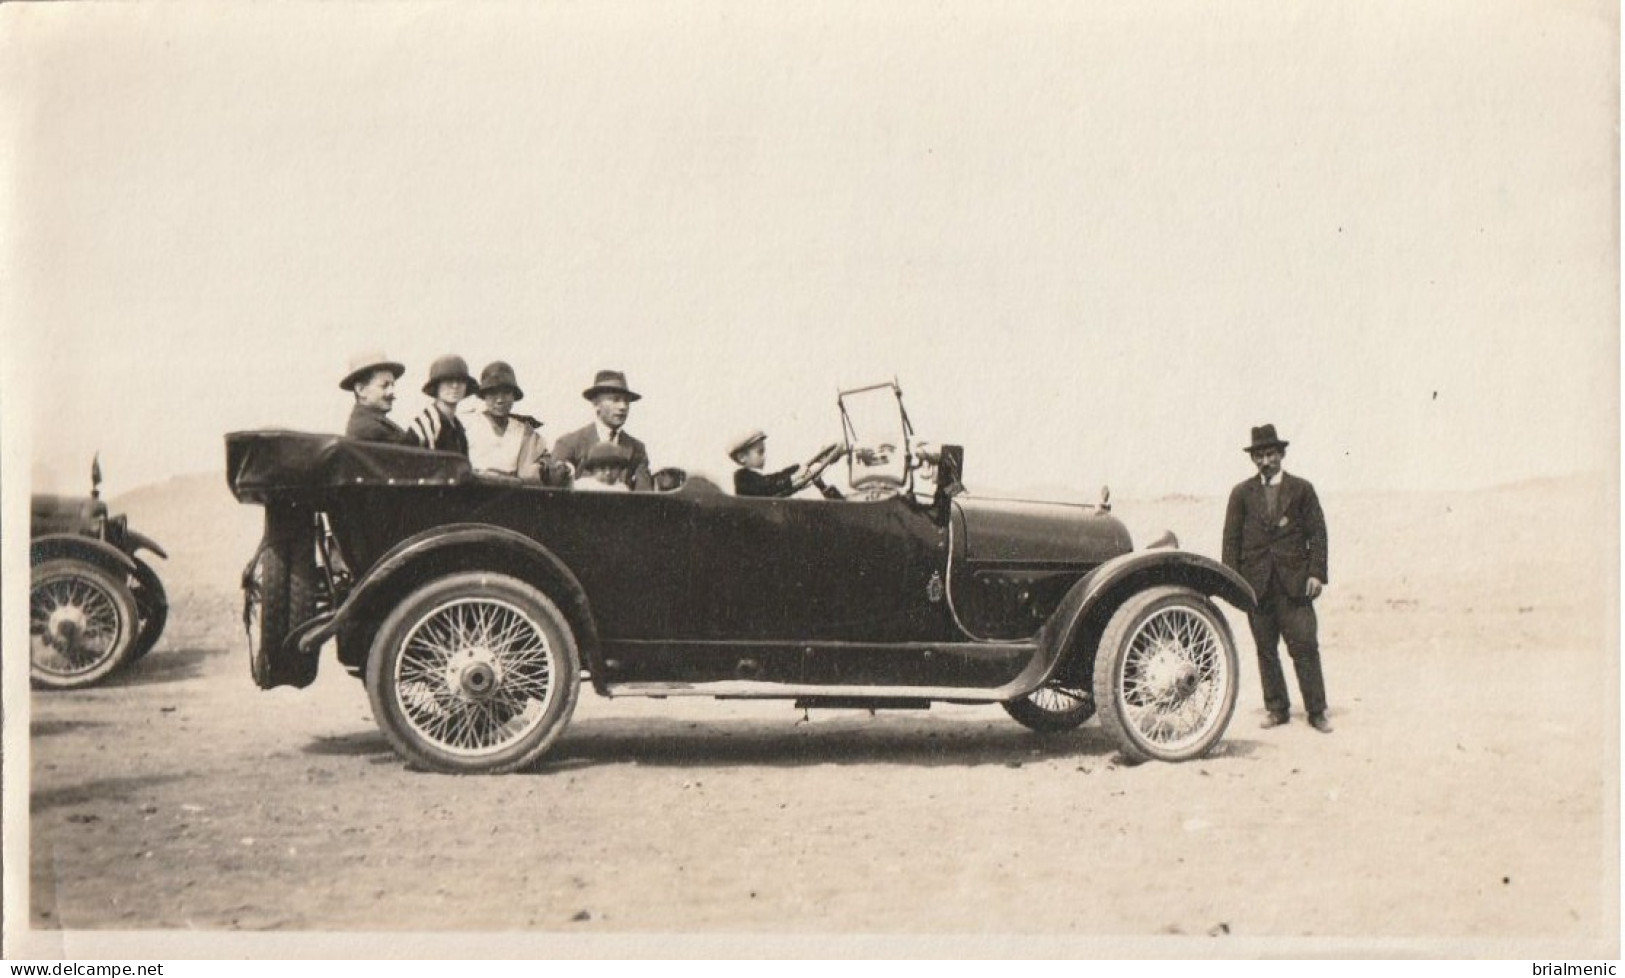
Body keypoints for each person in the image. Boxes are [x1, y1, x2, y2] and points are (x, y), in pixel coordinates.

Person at [1221, 424, 1332, 733]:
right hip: (1257, 587)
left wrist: (1316, 573)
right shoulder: (1241, 493)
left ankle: (1317, 711)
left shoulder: (1302, 489)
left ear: (1281, 454)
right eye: (1258, 456)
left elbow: (1318, 534)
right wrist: (1233, 583)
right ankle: (1277, 709)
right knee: (1266, 649)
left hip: (1295, 584)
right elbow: (1231, 540)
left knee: (1305, 646)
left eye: (1270, 454)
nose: (1265, 461)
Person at [465, 361, 570, 485]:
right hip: (473, 490)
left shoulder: (525, 432)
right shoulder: (467, 424)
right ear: (484, 396)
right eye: (493, 393)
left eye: (506, 393)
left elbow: (544, 463)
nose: (500, 400)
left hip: (513, 493)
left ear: (514, 396)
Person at [553, 370, 654, 491]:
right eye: (616, 400)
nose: (623, 407)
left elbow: (645, 497)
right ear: (596, 404)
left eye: (626, 401)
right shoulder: (569, 444)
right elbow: (554, 491)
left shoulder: (637, 449)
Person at [729, 430, 841, 498]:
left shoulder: (754, 478)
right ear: (742, 457)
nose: (764, 457)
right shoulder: (742, 478)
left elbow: (776, 477)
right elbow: (769, 486)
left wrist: (799, 468)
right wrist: (794, 477)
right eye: (760, 452)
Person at [408, 355, 478, 455]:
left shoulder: (458, 427)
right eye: (448, 380)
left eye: (460, 380)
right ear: (437, 386)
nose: (455, 386)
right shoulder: (424, 426)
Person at [340, 351, 413, 445]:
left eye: (392, 385)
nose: (391, 392)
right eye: (384, 385)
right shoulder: (368, 428)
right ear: (361, 390)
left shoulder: (374, 422)